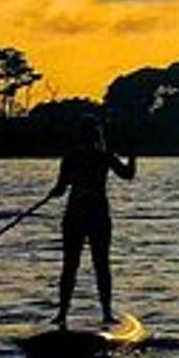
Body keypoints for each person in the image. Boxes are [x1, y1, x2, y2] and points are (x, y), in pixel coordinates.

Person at [48, 116, 136, 328]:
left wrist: (55, 191)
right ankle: (105, 313)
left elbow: (60, 189)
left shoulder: (71, 158)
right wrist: (133, 154)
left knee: (70, 265)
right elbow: (128, 174)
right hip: (96, 215)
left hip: (75, 215)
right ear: (98, 136)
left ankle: (62, 314)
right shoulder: (104, 156)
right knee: (101, 265)